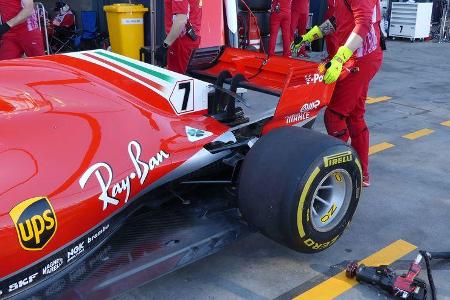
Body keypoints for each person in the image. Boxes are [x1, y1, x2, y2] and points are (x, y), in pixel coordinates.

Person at [291, 0, 383, 187]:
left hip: (359, 59)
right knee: (355, 116)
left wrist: (341, 57)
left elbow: (363, 23)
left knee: (335, 116)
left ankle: (338, 174)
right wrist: (310, 36)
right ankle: (361, 174)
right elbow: (337, 20)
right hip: (358, 57)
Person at [156, 0, 202, 74]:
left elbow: (181, 20)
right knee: (186, 77)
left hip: (181, 41)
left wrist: (165, 45)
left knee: (178, 78)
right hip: (191, 37)